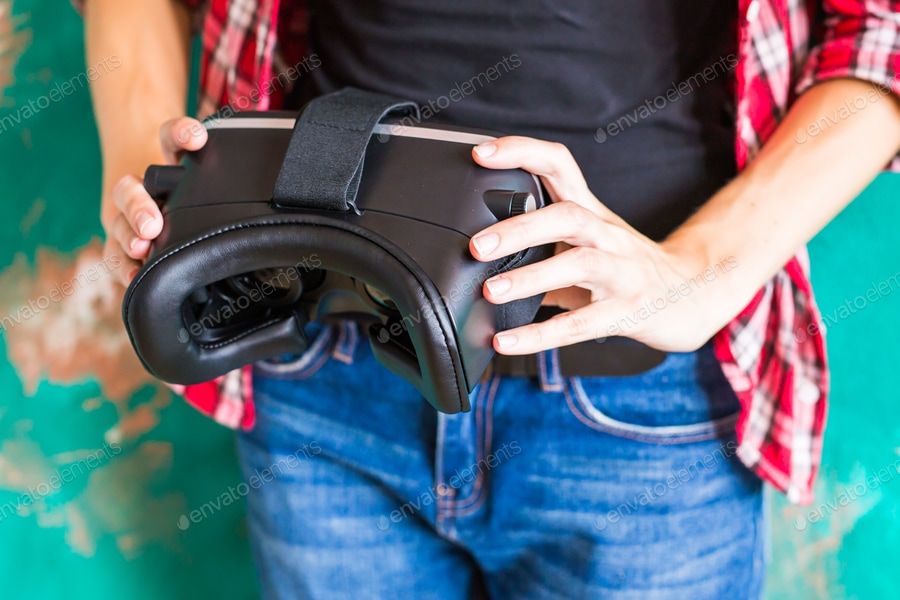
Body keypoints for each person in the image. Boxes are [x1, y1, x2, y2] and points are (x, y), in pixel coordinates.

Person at [80, 0, 900, 598]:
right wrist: (156, 198)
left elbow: (880, 29)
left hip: (640, 405)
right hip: (319, 363)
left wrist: (704, 271)